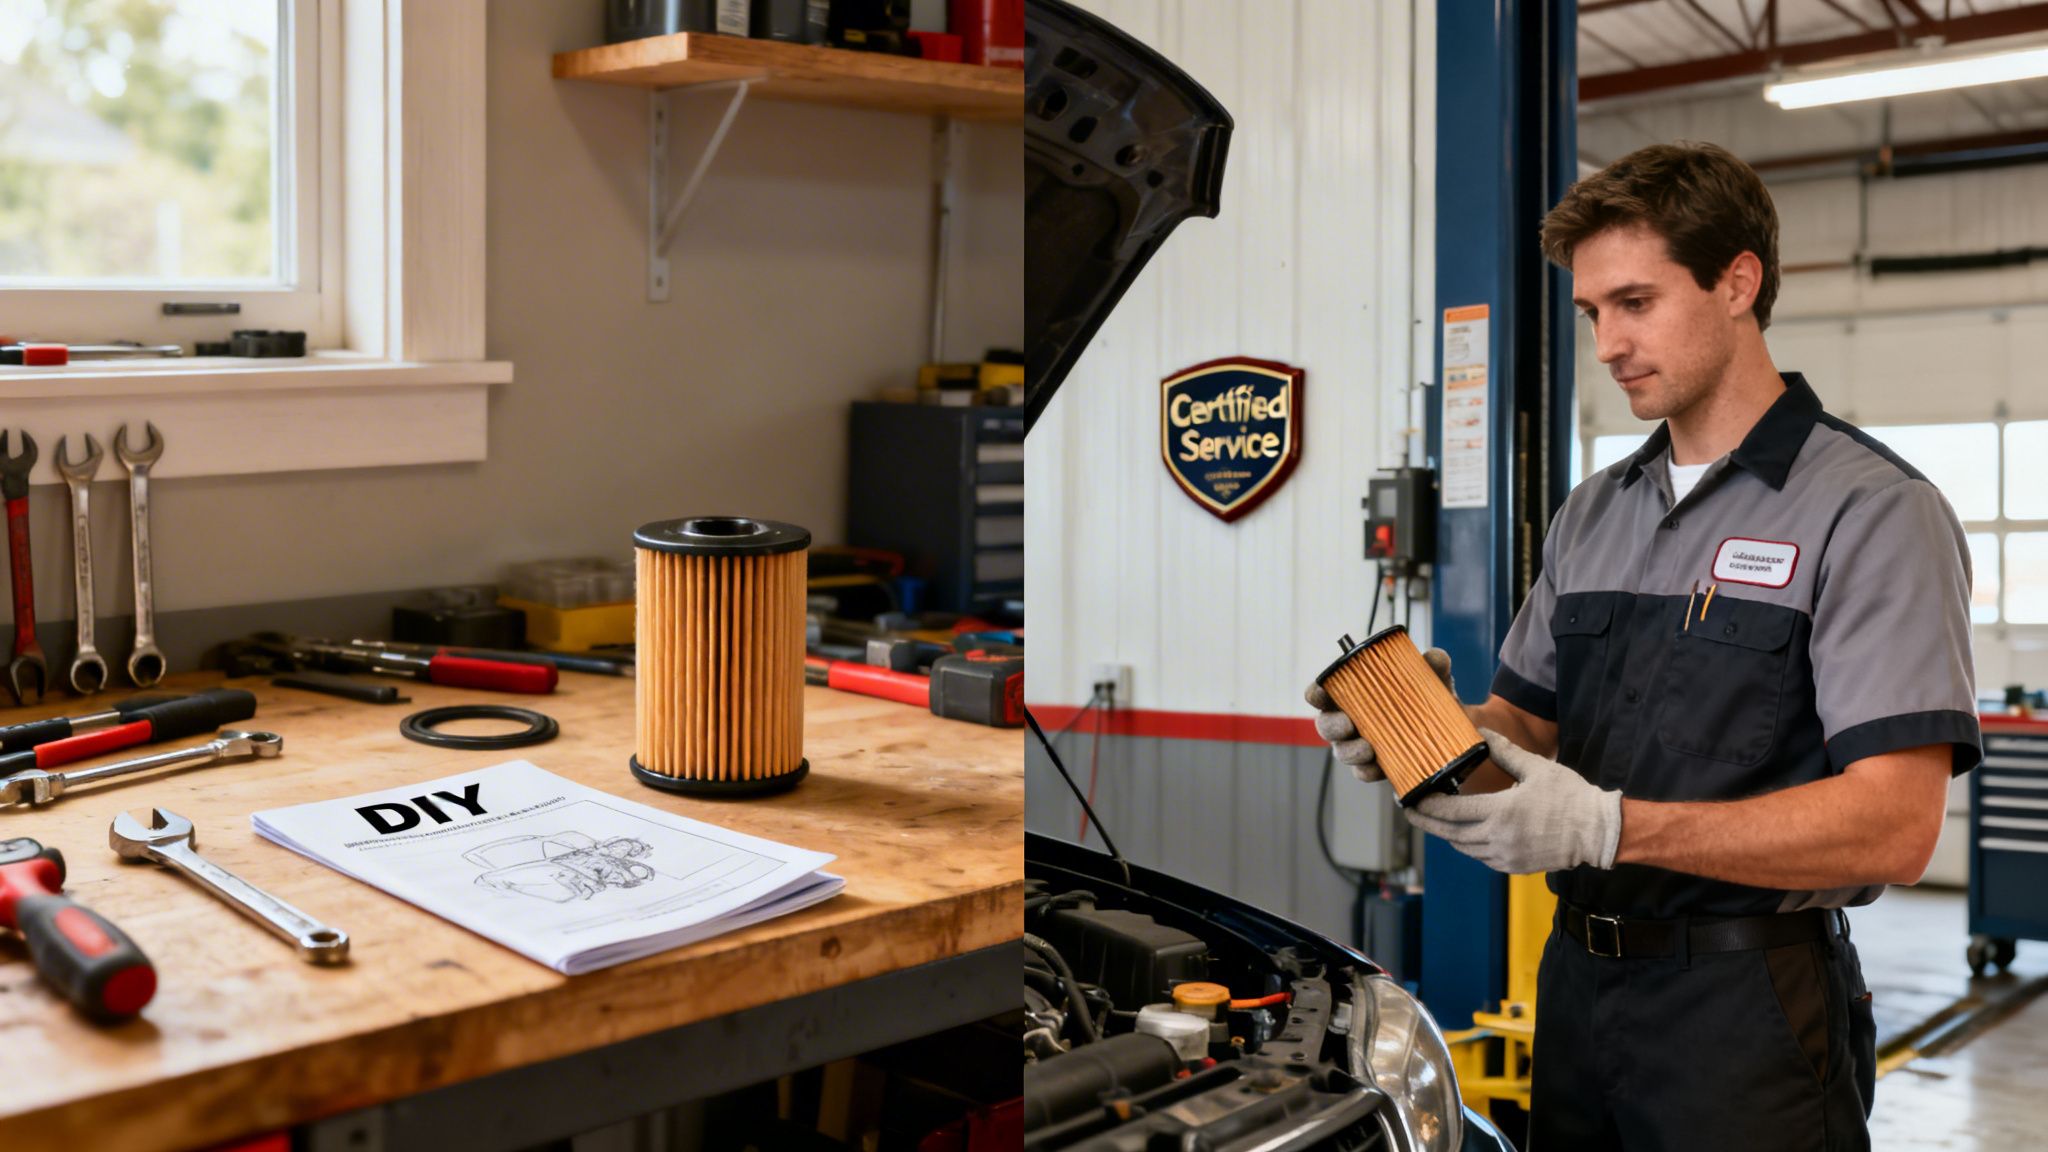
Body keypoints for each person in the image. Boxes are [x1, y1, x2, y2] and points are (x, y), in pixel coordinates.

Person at [1306, 141, 1978, 1151]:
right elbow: (1524, 730)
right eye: (1590, 314)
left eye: (1634, 302)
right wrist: (1424, 724)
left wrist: (1609, 829)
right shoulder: (1591, 514)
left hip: (1745, 1013)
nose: (1607, 342)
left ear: (1737, 281)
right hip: (1574, 998)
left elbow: (1892, 826)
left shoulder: (1871, 511)